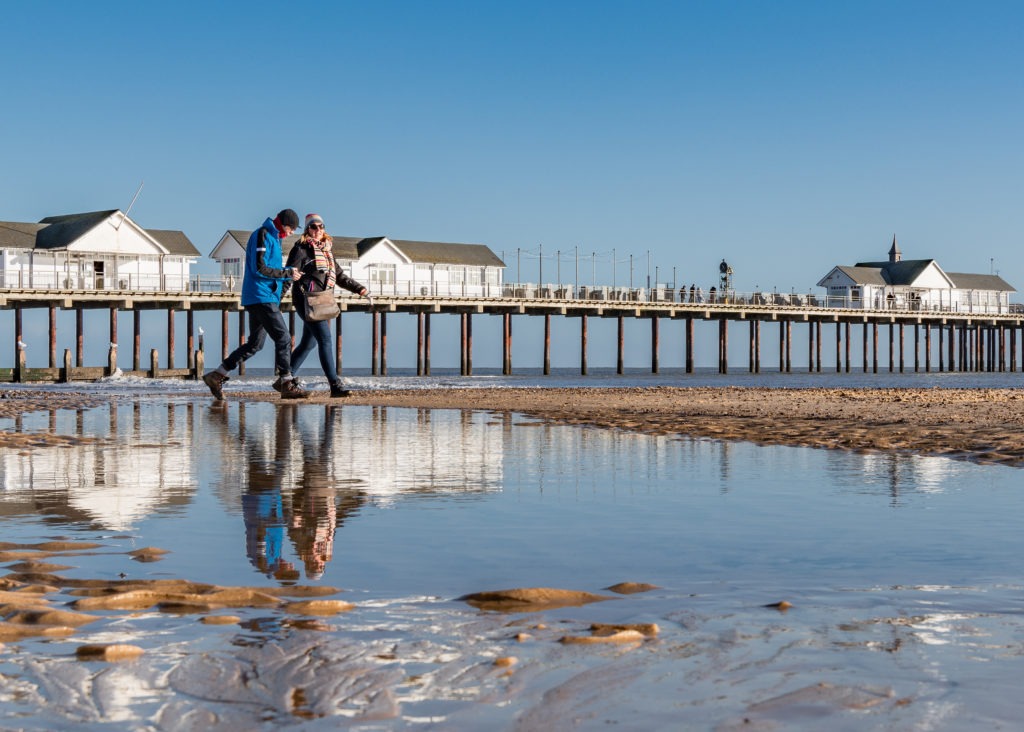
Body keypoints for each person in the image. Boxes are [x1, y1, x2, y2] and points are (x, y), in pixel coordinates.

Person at [203, 209, 309, 400]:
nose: (293, 232)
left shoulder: (274, 238)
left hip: (263, 297)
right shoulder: (263, 234)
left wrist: (287, 272)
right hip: (260, 296)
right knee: (284, 338)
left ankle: (217, 375)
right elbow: (259, 268)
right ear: (284, 224)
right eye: (292, 228)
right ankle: (286, 382)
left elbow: (271, 268)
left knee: (255, 344)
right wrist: (287, 273)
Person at [287, 213, 371, 397]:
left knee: (308, 344)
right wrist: (277, 293)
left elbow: (339, 276)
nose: (318, 230)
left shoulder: (327, 251)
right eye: (313, 227)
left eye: (321, 226)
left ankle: (285, 378)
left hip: (322, 301)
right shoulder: (300, 249)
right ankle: (335, 385)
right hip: (306, 301)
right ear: (307, 230)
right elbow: (289, 273)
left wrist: (361, 290)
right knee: (325, 339)